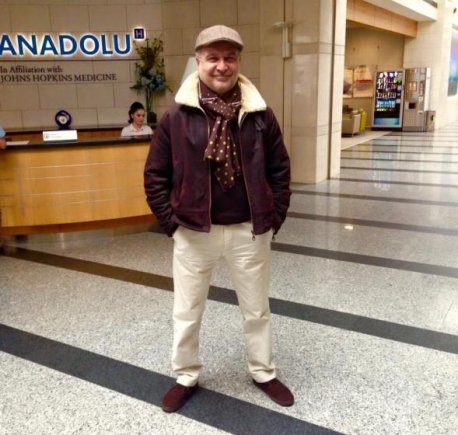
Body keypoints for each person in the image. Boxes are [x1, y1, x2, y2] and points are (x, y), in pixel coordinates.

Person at [144, 25, 293, 413]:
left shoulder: (259, 115)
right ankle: (186, 374)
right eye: (213, 58)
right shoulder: (176, 117)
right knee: (187, 310)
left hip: (249, 231)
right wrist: (172, 224)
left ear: (238, 61)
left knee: (256, 309)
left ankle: (263, 371)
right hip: (194, 232)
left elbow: (279, 170)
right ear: (198, 61)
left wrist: (273, 217)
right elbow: (155, 175)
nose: (222, 66)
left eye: (230, 57)